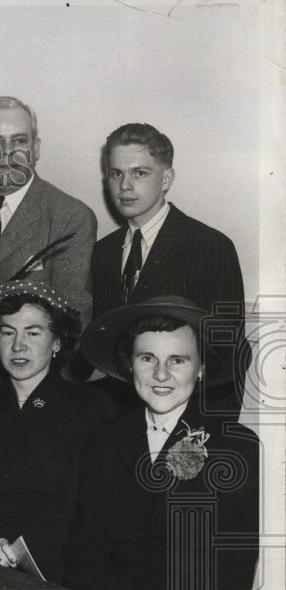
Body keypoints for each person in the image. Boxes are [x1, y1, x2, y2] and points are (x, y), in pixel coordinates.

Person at [66, 297, 259, 590]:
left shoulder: (237, 448)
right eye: (147, 358)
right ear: (129, 366)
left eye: (178, 360)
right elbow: (86, 551)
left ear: (201, 368)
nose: (160, 375)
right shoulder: (104, 439)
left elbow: (233, 571)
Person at [0, 280, 112, 583]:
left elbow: (83, 507)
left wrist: (22, 552)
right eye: (7, 332)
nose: (17, 346)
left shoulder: (90, 407)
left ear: (57, 342)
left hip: (63, 571)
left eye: (33, 333)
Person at [92, 123, 249, 415]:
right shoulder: (103, 251)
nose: (125, 186)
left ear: (166, 179)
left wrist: (200, 440)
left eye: (140, 173)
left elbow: (227, 357)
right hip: (118, 420)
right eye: (116, 173)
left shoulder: (210, 246)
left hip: (185, 419)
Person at [0, 96, 96, 325]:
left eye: (19, 141)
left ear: (36, 148)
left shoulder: (70, 217)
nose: (7, 152)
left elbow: (73, 318)